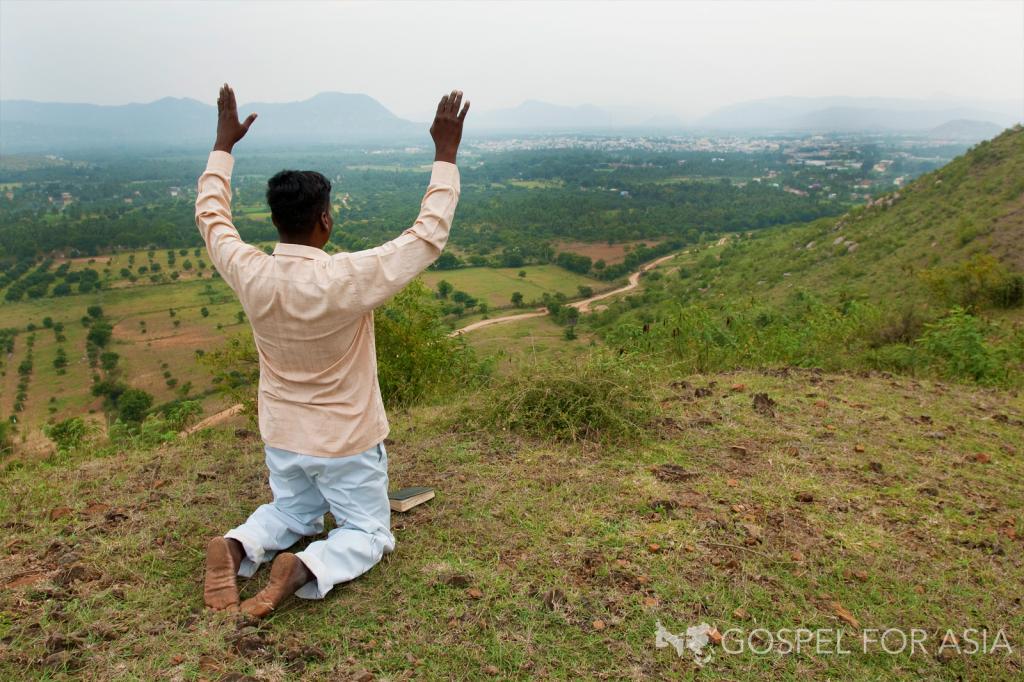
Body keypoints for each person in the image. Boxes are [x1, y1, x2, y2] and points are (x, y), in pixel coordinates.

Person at [198, 84, 469, 618]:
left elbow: (212, 219)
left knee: (293, 511)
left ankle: (235, 547)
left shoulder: (250, 272)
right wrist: (446, 154)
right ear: (325, 220)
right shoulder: (346, 278)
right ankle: (304, 568)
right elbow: (427, 236)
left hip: (283, 434)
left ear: (276, 220)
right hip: (345, 437)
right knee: (368, 532)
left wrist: (222, 146)